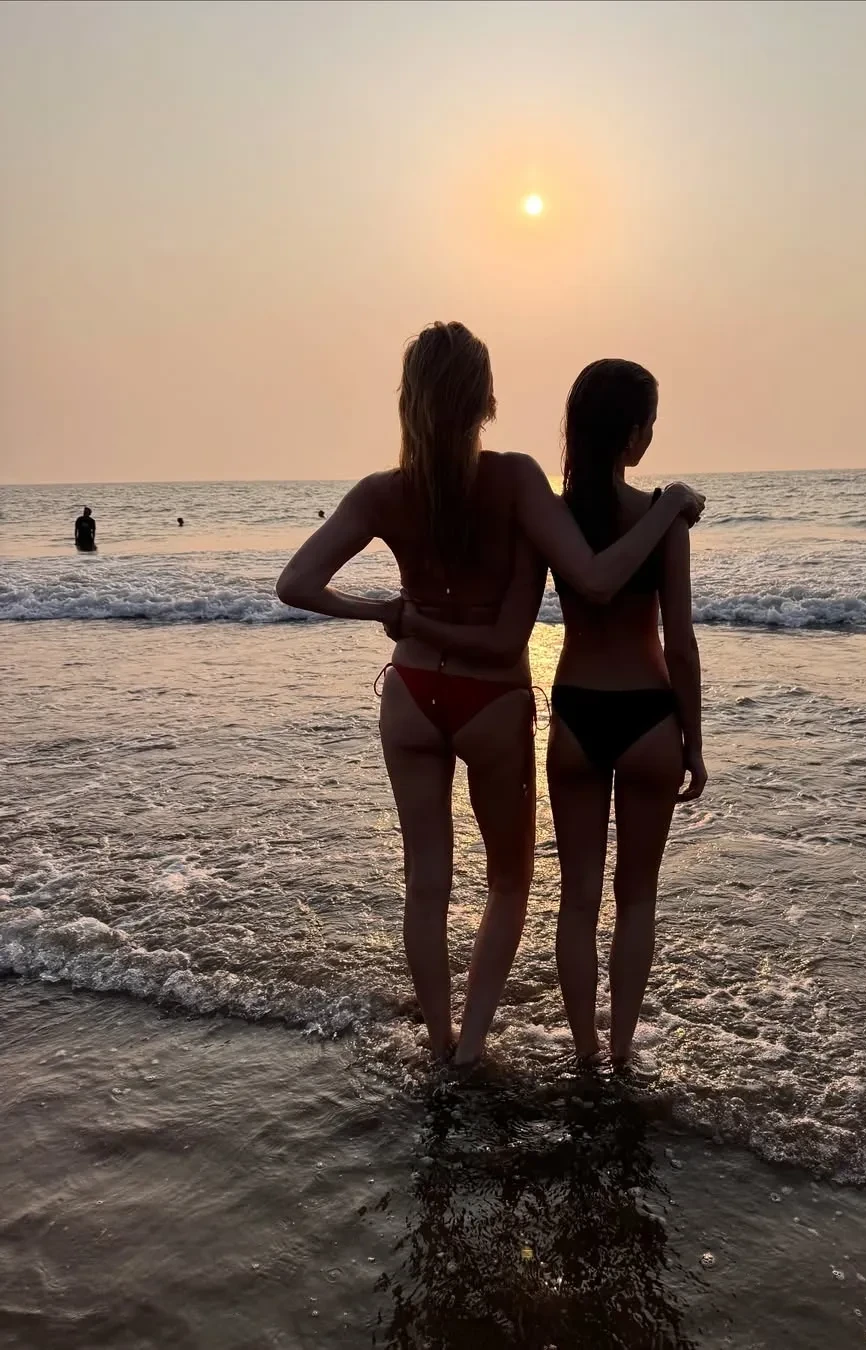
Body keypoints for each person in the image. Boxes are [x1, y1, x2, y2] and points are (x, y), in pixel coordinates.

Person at [276, 322, 704, 1066]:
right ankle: (501, 1046)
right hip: (506, 702)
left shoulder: (383, 493)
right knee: (518, 883)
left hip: (413, 691)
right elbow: (600, 587)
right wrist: (667, 507)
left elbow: (296, 584)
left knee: (427, 880)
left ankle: (442, 1043)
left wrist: (388, 612)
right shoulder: (513, 481)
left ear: (409, 398)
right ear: (486, 400)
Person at [408, 359, 706, 1068]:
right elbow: (681, 644)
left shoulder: (554, 517)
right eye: (649, 423)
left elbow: (520, 605)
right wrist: (693, 742)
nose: (650, 435)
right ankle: (622, 1054)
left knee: (576, 901)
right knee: (637, 900)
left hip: (575, 714)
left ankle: (584, 1053)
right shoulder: (662, 518)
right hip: (649, 715)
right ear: (632, 434)